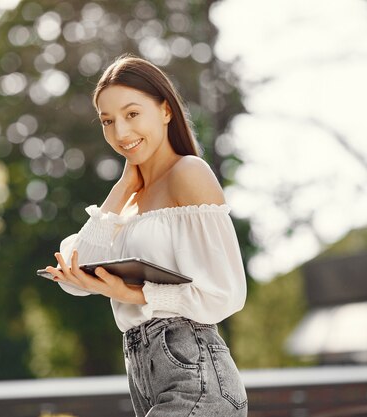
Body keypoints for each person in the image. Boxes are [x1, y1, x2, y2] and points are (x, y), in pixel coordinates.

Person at [44, 54, 248, 417]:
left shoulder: (189, 173)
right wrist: (122, 187)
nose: (121, 133)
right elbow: (75, 275)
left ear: (166, 110)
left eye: (132, 114)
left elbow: (226, 294)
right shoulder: (126, 202)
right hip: (147, 379)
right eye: (108, 121)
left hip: (198, 381)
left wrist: (133, 293)